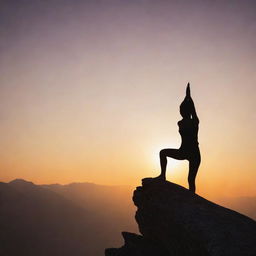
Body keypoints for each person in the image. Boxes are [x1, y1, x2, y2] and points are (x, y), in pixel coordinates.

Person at [157, 83, 201, 193]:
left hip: (194, 153)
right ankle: (163, 175)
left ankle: (192, 201)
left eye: (181, 110)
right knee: (163, 152)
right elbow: (191, 108)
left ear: (185, 111)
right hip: (184, 151)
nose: (180, 112)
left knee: (191, 180)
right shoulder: (182, 123)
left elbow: (193, 109)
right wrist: (187, 97)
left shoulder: (194, 122)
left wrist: (188, 97)